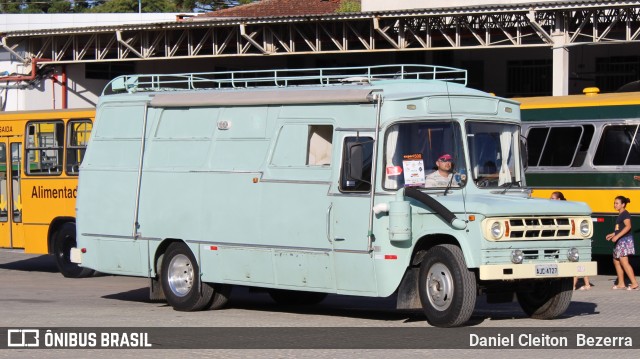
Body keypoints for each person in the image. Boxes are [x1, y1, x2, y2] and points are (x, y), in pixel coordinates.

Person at [550, 191, 592, 290]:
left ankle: (573, 285)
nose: (551, 200)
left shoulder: (562, 209)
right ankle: (586, 284)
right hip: (565, 236)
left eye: (553, 198)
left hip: (567, 237)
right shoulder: (563, 207)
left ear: (559, 199)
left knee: (573, 261)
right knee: (579, 260)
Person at [606, 196, 639, 290]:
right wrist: (613, 234)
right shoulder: (620, 214)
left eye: (617, 203)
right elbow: (620, 228)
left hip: (624, 240)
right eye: (614, 203)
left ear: (623, 204)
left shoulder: (625, 214)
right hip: (620, 239)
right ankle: (621, 283)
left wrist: (617, 236)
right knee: (616, 261)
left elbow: (628, 227)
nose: (615, 205)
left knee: (624, 262)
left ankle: (634, 283)